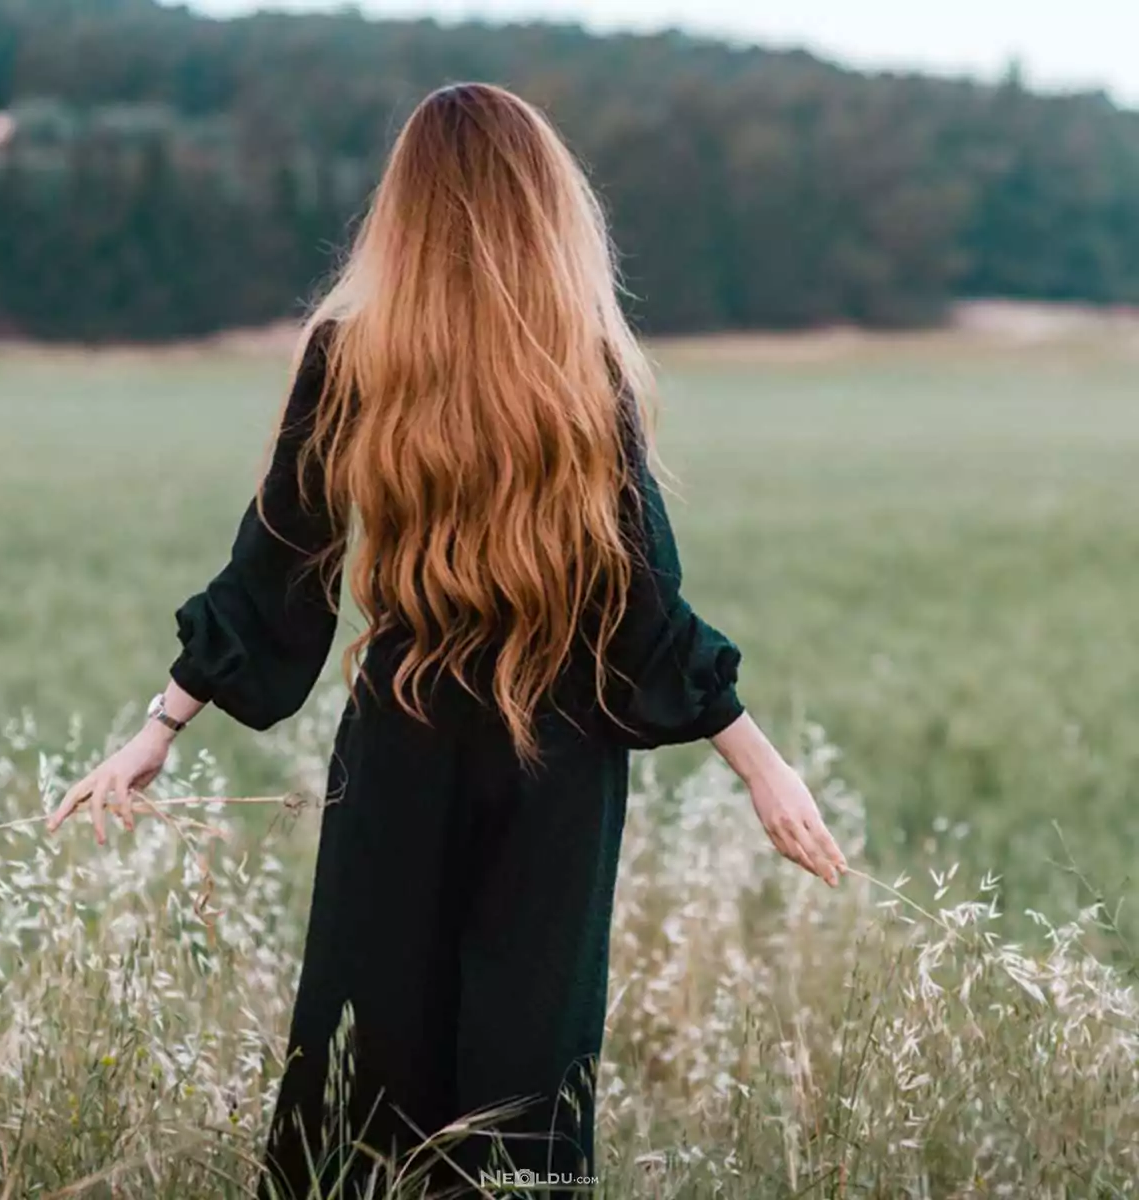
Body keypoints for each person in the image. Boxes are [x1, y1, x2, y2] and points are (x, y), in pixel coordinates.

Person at [47, 82, 847, 1199]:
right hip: (558, 754)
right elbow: (640, 605)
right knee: (526, 1084)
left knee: (367, 1075)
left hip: (402, 739)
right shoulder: (581, 368)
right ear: (544, 207)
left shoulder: (352, 352)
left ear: (405, 209)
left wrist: (158, 728)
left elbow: (275, 569)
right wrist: (762, 764)